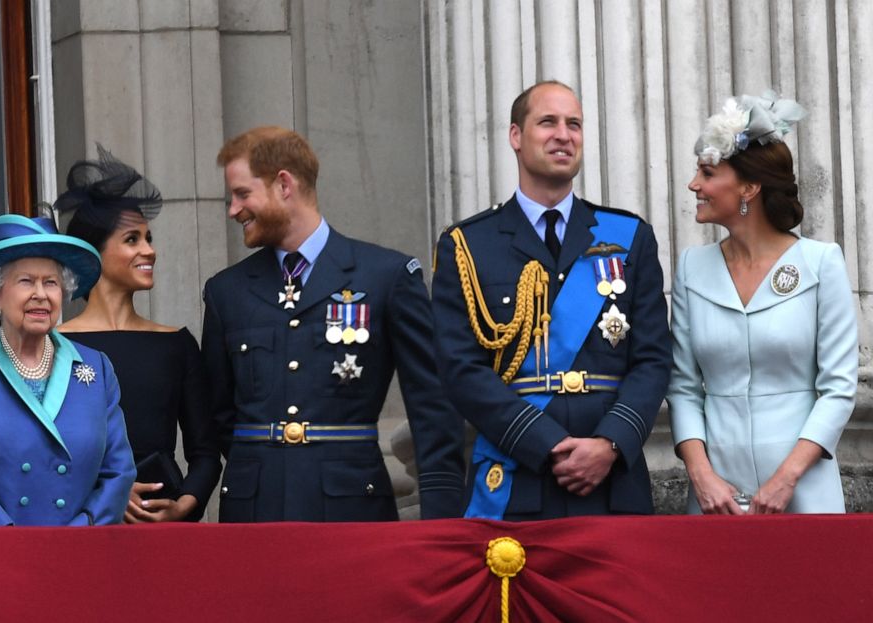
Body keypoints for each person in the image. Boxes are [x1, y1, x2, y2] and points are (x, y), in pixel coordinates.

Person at [431, 80, 672, 520]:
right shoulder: (468, 244)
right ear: (516, 137)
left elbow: (654, 359)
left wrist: (610, 443)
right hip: (518, 473)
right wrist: (543, 441)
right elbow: (459, 367)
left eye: (574, 124)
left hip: (612, 481)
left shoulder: (628, 237)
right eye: (548, 122)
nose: (564, 134)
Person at [202, 126, 465, 522]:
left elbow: (430, 403)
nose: (234, 210)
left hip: (351, 507)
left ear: (284, 184)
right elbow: (219, 414)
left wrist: (443, 517)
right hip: (254, 510)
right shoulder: (227, 291)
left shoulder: (386, 275)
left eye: (242, 194)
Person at [668, 91, 858, 514]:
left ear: (749, 188)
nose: (694, 185)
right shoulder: (691, 269)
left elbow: (839, 388)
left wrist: (785, 479)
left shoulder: (820, 263)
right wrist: (702, 477)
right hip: (715, 500)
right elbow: (682, 387)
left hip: (803, 491)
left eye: (707, 172)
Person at [0, 213, 135, 525]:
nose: (41, 294)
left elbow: (119, 471)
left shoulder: (96, 367)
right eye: (26, 281)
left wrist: (82, 529)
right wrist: (14, 539)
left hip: (78, 551)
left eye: (51, 282)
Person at [57, 146, 222, 523]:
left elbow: (206, 453)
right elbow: (39, 454)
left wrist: (184, 504)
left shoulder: (176, 343)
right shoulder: (53, 345)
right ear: (92, 253)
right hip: (83, 527)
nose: (150, 251)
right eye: (132, 239)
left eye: (148, 238)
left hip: (162, 529)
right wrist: (105, 491)